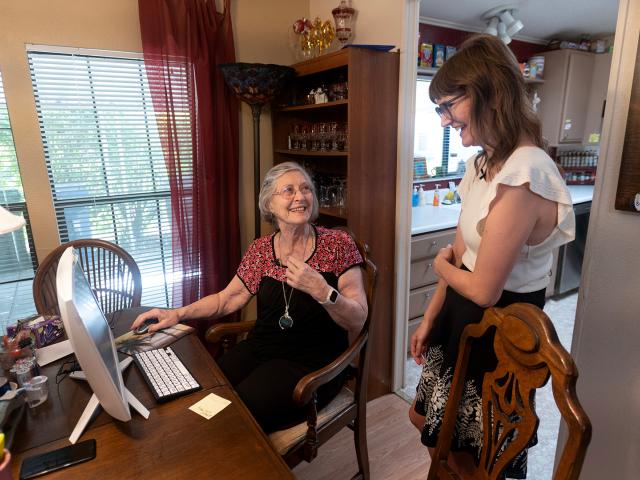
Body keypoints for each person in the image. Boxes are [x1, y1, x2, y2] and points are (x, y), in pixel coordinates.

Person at [408, 34, 575, 478]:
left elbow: (482, 287)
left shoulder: (527, 172)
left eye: (448, 106)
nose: (444, 120)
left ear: (488, 91)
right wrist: (430, 316)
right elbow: (462, 251)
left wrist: (440, 265)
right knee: (427, 423)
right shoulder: (486, 164)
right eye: (439, 109)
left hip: (500, 334)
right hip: (461, 321)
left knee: (475, 459)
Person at [132, 161, 367, 433]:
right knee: (209, 392)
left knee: (240, 412)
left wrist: (322, 290)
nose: (300, 197)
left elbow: (358, 319)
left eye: (306, 189)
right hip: (260, 348)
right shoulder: (261, 250)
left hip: (312, 363)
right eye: (288, 190)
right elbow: (227, 299)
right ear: (269, 204)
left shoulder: (337, 245)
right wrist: (176, 313)